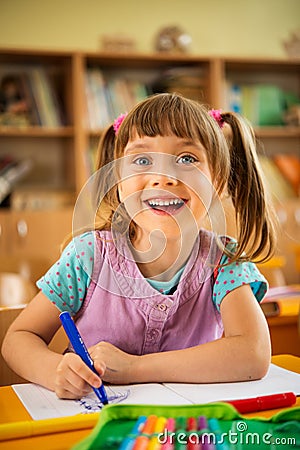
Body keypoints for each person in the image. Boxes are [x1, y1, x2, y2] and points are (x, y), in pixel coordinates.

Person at [2, 93, 277, 400]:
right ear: (117, 179)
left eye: (187, 159)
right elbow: (19, 338)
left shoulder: (222, 261)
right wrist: (54, 370)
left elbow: (253, 354)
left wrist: (135, 368)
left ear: (220, 182)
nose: (163, 177)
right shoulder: (88, 257)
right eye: (142, 160)